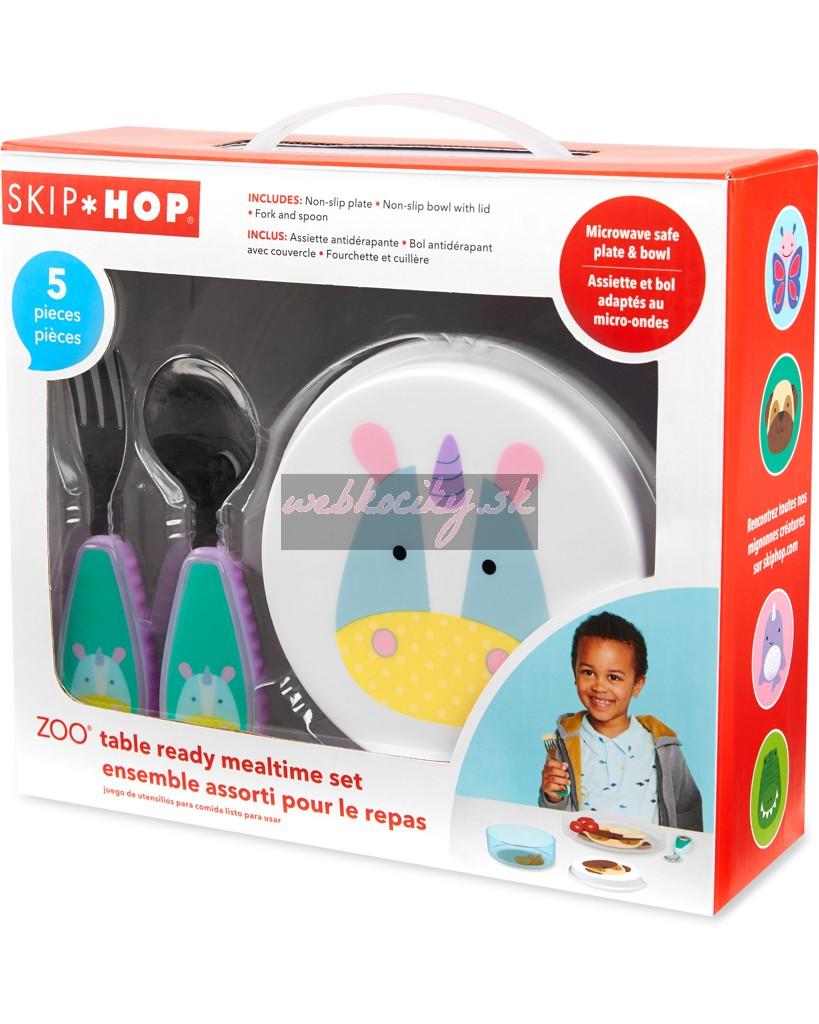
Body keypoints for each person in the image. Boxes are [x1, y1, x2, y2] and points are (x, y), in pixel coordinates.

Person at [539, 611, 703, 831]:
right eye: (588, 672)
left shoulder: (663, 746)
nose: (599, 686)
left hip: (649, 851)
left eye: (613, 677)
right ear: (574, 672)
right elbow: (556, 816)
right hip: (583, 847)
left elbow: (687, 809)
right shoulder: (566, 741)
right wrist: (553, 797)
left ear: (637, 685)